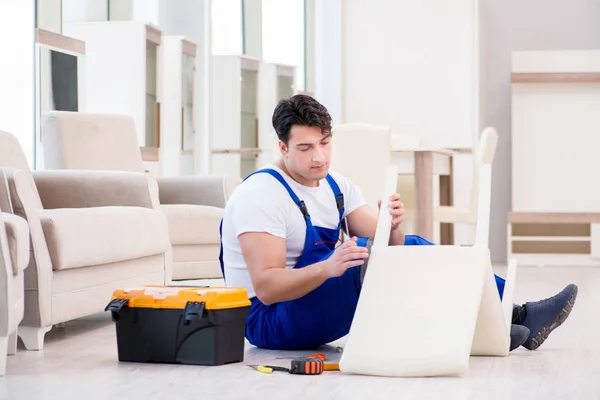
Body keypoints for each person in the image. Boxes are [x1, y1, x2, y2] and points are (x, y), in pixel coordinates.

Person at [219, 94, 578, 352]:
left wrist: (392, 226)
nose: (320, 157)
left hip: (311, 299)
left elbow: (393, 249)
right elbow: (265, 287)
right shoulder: (261, 195)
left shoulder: (336, 184)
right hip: (268, 320)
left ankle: (515, 313)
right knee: (360, 253)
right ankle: (477, 328)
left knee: (410, 246)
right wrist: (329, 267)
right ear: (282, 148)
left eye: (325, 143)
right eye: (305, 147)